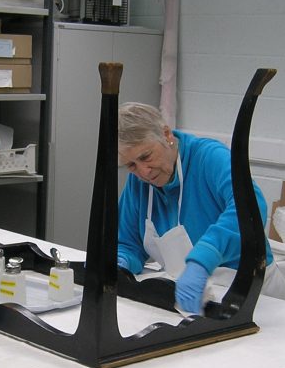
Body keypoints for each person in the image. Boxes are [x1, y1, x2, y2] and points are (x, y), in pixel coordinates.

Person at [115, 102, 272, 312]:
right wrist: (119, 262)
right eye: (131, 165)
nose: (144, 172)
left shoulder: (210, 158)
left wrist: (202, 260)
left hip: (249, 293)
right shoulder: (139, 184)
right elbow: (128, 242)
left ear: (166, 135)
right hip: (186, 296)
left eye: (146, 157)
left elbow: (250, 208)